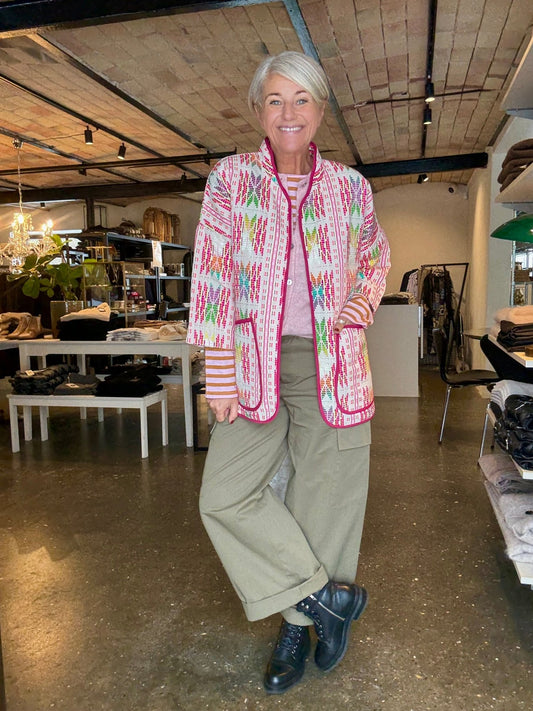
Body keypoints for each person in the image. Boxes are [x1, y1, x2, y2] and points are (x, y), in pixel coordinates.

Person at [186, 51, 391, 694]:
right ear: (259, 111)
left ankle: (299, 626)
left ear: (320, 109)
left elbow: (375, 254)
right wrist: (218, 371)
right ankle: (326, 601)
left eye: (301, 99)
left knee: (324, 498)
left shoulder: (350, 187)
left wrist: (361, 303)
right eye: (275, 100)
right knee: (224, 496)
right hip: (252, 360)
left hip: (332, 360)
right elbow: (212, 273)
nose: (289, 112)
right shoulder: (231, 179)